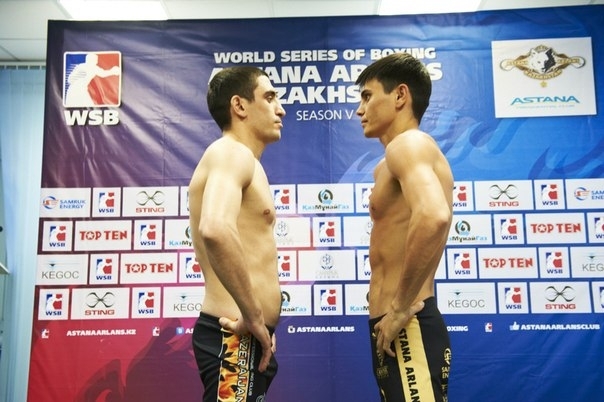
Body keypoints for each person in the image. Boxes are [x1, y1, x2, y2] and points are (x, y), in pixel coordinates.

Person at [355, 53, 454, 402]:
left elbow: (434, 216)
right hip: (392, 324)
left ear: (400, 95)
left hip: (406, 321)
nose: (359, 109)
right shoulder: (387, 164)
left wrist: (399, 307)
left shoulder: (408, 144)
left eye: (367, 96)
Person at [189, 66, 286, 402]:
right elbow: (215, 228)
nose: (280, 109)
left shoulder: (244, 161)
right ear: (240, 106)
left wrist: (258, 322)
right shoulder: (230, 152)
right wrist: (254, 316)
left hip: (244, 335)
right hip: (233, 333)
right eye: (269, 97)